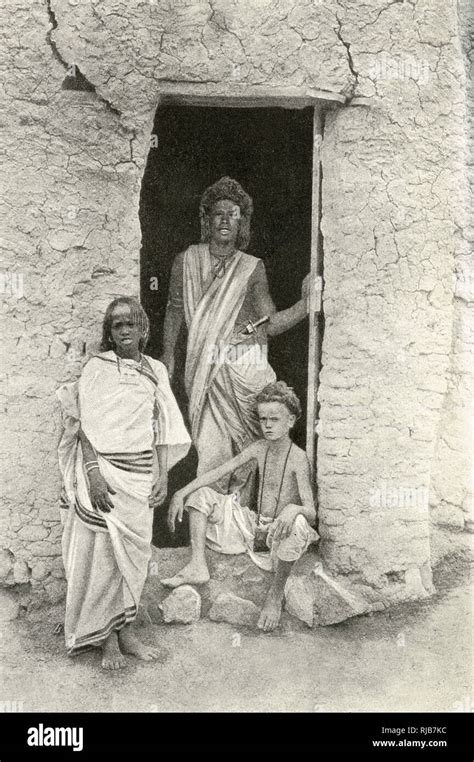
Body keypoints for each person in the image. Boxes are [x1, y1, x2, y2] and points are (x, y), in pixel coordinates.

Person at [56, 297, 190, 669]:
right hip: (106, 475)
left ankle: (126, 632)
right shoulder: (96, 369)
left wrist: (162, 474)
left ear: (144, 328)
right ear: (109, 333)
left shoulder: (156, 371)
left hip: (141, 477)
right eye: (118, 325)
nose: (126, 330)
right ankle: (106, 641)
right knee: (104, 556)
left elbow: (164, 426)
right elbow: (83, 429)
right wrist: (94, 474)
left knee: (134, 557)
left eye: (132, 323)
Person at [161, 176, 310, 477]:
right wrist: (168, 358)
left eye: (234, 214)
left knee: (249, 460)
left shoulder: (252, 268)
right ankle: (208, 520)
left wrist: (305, 305)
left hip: (246, 371)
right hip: (205, 371)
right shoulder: (186, 261)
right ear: (207, 219)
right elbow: (174, 311)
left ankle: (240, 523)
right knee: (211, 456)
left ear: (242, 222)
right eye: (219, 213)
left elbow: (269, 324)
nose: (226, 220)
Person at [161, 381, 319, 632]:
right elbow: (218, 472)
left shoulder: (299, 458)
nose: (267, 425)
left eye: (274, 419)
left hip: (280, 533)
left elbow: (311, 513)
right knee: (202, 495)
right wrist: (181, 492)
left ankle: (275, 596)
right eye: (263, 418)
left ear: (290, 420)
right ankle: (198, 564)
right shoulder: (259, 447)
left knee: (298, 524)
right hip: (252, 527)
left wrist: (294, 509)